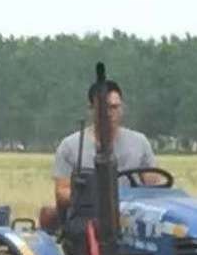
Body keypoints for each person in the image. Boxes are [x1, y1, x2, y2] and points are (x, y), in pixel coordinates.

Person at [52, 76, 159, 211]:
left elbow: (155, 188)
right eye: (104, 108)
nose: (109, 113)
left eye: (114, 107)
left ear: (122, 108)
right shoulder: (70, 146)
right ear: (91, 109)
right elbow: (62, 191)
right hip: (88, 215)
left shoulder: (140, 143)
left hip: (130, 215)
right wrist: (91, 198)